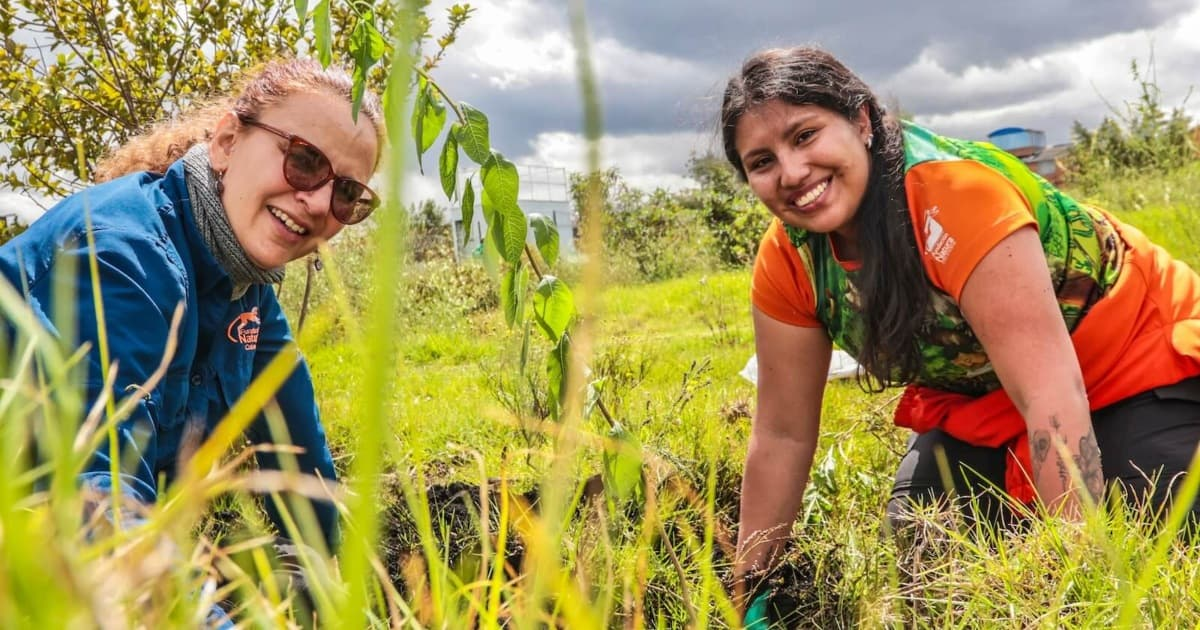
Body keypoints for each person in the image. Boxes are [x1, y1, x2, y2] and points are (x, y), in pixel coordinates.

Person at [722, 46, 1200, 611]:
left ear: (861, 121)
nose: (792, 173)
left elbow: (1049, 393)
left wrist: (1082, 585)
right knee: (924, 536)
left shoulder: (957, 198)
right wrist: (750, 593)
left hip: (1129, 359)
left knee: (1155, 499)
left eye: (805, 136)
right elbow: (782, 435)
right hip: (989, 398)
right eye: (762, 161)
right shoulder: (790, 261)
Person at [0, 58, 383, 559]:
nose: (317, 202)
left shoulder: (244, 287)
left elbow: (302, 461)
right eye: (305, 160)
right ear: (227, 142)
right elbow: (99, 513)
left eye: (347, 193)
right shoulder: (121, 259)